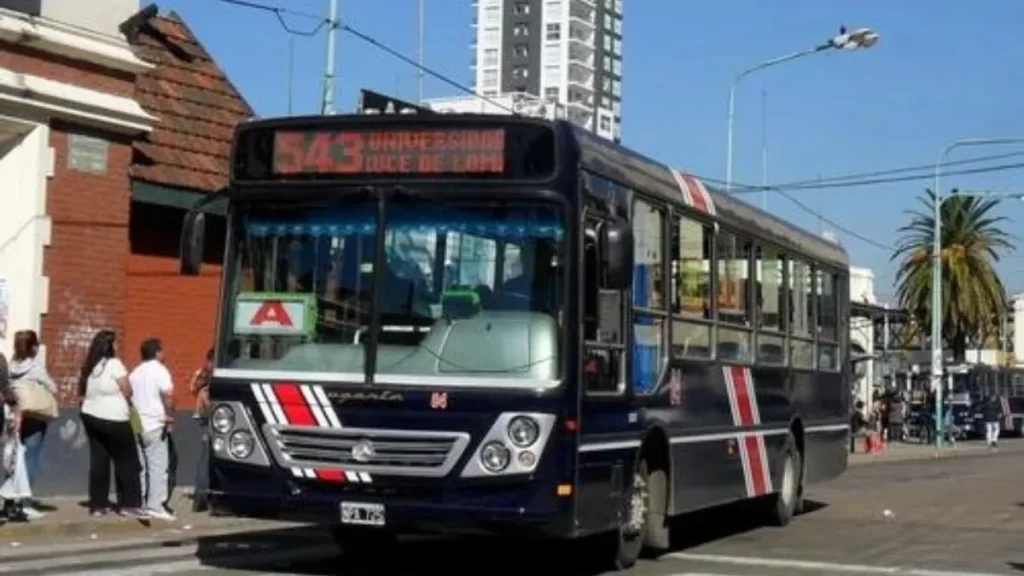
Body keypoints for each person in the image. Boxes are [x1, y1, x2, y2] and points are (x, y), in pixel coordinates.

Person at [78, 330, 146, 518]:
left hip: (91, 416)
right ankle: (129, 504)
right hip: (115, 418)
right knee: (127, 461)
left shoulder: (91, 365)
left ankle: (98, 504)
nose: (117, 346)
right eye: (115, 343)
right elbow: (127, 389)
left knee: (99, 461)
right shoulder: (115, 364)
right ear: (110, 346)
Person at [8, 330, 57, 519]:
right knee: (31, 458)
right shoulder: (35, 368)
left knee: (13, 458)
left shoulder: (11, 366)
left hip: (15, 414)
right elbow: (53, 387)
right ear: (34, 347)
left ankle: (11, 499)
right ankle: (25, 502)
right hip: (34, 415)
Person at [130, 338, 176, 521]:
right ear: (157, 352)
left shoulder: (134, 373)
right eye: (162, 351)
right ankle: (155, 506)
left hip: (136, 423)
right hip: (155, 423)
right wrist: (170, 415)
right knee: (158, 467)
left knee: (140, 467)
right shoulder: (159, 370)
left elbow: (128, 398)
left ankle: (139, 502)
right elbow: (168, 395)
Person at [189, 348, 213, 512]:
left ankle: (201, 495)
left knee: (206, 456)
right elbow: (193, 388)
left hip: (204, 416)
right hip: (209, 416)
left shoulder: (204, 372)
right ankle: (202, 495)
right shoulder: (209, 373)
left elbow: (191, 388)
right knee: (206, 457)